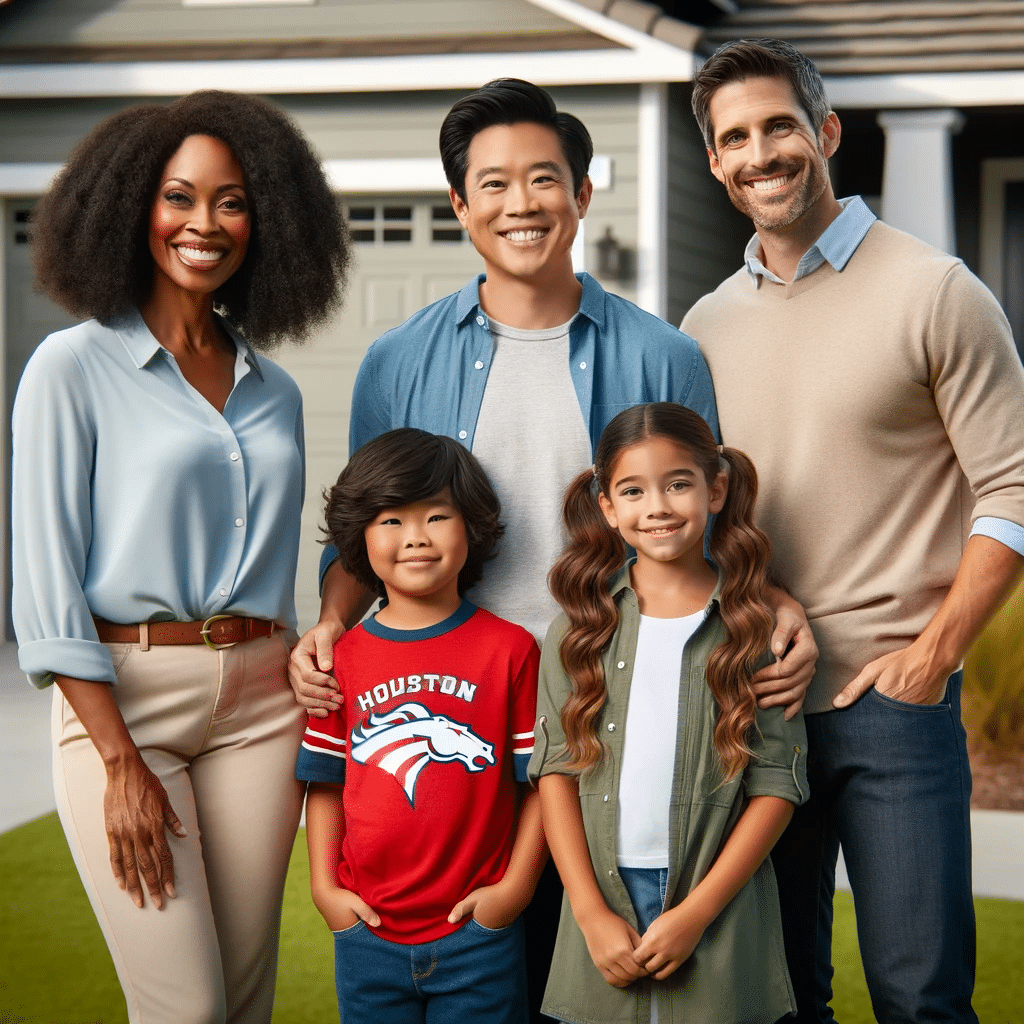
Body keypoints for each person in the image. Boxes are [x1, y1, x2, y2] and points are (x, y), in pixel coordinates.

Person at [286, 77, 816, 1021]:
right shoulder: (396, 360)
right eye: (491, 184)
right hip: (458, 723)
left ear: (582, 192)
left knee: (591, 989)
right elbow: (358, 542)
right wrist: (329, 625)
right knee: (474, 986)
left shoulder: (664, 356)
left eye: (543, 179)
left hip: (600, 719)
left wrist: (778, 606)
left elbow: (701, 524)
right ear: (459, 204)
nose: (519, 204)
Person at [682, 39, 1024, 1024]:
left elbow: (1009, 480)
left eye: (779, 126)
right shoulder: (703, 326)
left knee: (919, 997)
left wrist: (935, 654)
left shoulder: (935, 291)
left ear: (824, 131)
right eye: (734, 137)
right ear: (713, 162)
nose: (761, 153)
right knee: (780, 998)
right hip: (754, 701)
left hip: (892, 705)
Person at [12, 91, 349, 1024]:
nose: (205, 224)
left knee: (244, 1000)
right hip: (127, 702)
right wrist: (117, 759)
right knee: (186, 1007)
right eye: (179, 197)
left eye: (233, 200)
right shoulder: (70, 368)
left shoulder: (272, 389)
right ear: (131, 207)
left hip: (264, 703)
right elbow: (45, 585)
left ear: (267, 219)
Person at [530, 402, 807, 1024]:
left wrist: (696, 914)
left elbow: (776, 786)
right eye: (633, 490)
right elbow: (555, 773)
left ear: (716, 490)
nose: (656, 506)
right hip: (603, 897)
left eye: (677, 484)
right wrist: (590, 913)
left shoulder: (755, 632)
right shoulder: (577, 633)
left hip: (719, 901)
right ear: (608, 507)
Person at [297, 428, 545, 1024]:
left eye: (437, 516)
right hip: (367, 935)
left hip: (477, 936)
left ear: (473, 527)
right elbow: (326, 784)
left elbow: (539, 784)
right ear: (359, 534)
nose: (415, 538)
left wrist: (512, 894)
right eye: (390, 520)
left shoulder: (511, 651)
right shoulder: (342, 658)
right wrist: (325, 892)